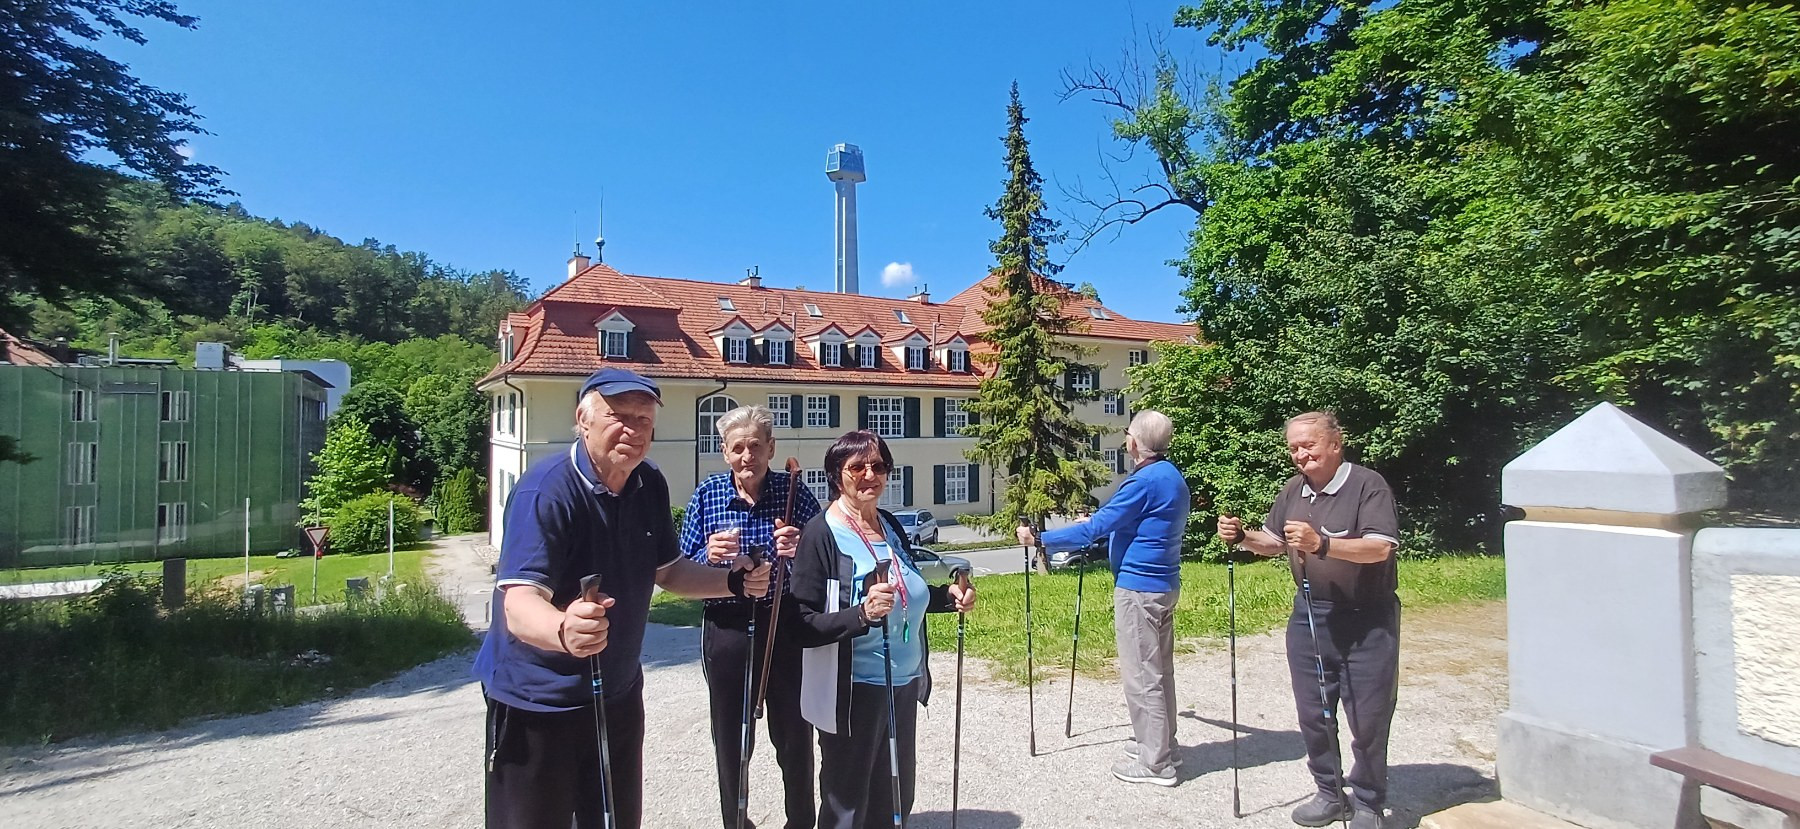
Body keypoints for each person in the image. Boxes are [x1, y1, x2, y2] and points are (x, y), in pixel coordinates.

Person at [474, 368, 774, 829]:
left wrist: (731, 582)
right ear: (583, 419)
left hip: (616, 693)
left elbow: (669, 571)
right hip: (539, 699)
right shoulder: (546, 491)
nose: (633, 430)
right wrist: (563, 629)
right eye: (619, 416)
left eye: (644, 420)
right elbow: (518, 602)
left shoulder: (647, 482)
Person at [1217, 411, 1401, 829]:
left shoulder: (1367, 486)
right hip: (1309, 614)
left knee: (1368, 715)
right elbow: (1274, 541)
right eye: (1294, 448)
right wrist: (1243, 537)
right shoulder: (1293, 490)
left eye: (1308, 446)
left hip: (1366, 616)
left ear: (1335, 444)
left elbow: (1379, 549)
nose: (1300, 455)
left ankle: (1370, 802)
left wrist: (1324, 545)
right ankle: (1330, 792)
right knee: (1313, 712)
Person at [787, 430, 976, 829]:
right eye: (856, 467)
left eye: (878, 466)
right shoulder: (821, 534)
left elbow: (907, 592)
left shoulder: (889, 524)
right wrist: (862, 614)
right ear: (837, 476)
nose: (869, 474)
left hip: (903, 683)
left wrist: (947, 598)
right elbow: (800, 625)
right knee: (848, 802)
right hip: (853, 690)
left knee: (896, 795)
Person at [1016, 410, 1191, 787]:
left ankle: (1156, 762)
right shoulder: (1171, 476)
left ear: (1133, 443)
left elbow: (1096, 528)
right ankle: (1161, 744)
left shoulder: (1143, 482)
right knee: (1160, 671)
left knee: (1142, 675)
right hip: (1163, 583)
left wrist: (1040, 540)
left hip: (1139, 589)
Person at [680, 405, 823, 829]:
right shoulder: (707, 494)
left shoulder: (794, 491)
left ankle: (800, 822)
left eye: (756, 446)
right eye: (738, 448)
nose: (748, 456)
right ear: (725, 452)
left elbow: (823, 558)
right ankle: (736, 822)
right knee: (732, 736)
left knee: (795, 734)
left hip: (784, 623)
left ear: (771, 449)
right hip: (727, 626)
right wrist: (708, 556)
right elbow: (680, 563)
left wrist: (800, 547)